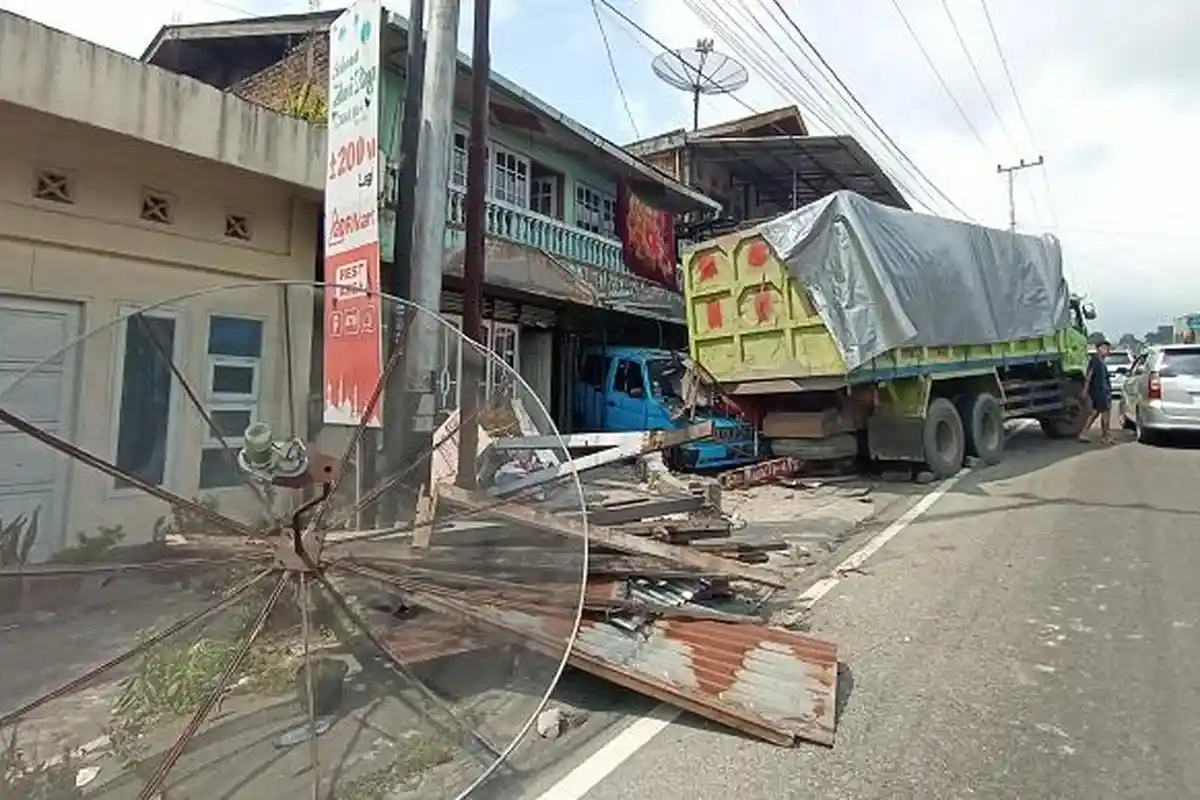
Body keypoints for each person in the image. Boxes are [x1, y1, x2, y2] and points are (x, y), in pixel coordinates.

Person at [1080, 340, 1114, 444]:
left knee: (1095, 413)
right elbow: (1089, 375)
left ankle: (1084, 433)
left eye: (1107, 348)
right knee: (1105, 413)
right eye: (1104, 348)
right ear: (1098, 348)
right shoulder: (1095, 360)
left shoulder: (1102, 360)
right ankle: (1105, 436)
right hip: (1099, 391)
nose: (1106, 350)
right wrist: (1085, 390)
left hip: (1104, 390)